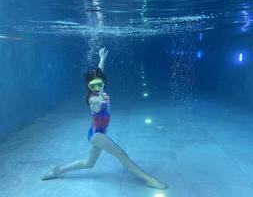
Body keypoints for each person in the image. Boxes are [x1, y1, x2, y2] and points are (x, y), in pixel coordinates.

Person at [41, 47, 168, 190]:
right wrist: (99, 100)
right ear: (89, 85)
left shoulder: (99, 88)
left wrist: (102, 58)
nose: (97, 85)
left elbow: (99, 73)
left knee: (88, 163)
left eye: (99, 82)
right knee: (121, 154)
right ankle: (149, 180)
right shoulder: (93, 97)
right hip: (97, 135)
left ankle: (57, 170)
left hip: (96, 132)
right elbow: (94, 102)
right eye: (93, 84)